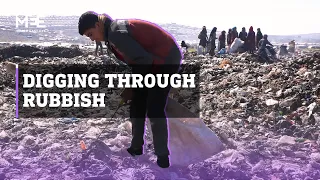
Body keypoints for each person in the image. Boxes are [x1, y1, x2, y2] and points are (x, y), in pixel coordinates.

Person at [78, 11, 182, 168]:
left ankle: (162, 157)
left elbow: (144, 59)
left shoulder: (115, 33)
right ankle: (136, 147)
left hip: (165, 60)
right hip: (151, 63)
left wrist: (132, 85)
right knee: (137, 103)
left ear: (98, 25)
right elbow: (138, 60)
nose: (92, 39)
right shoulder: (110, 35)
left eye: (91, 34)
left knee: (154, 107)